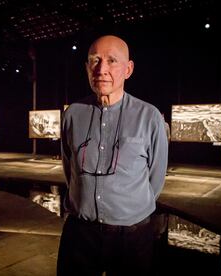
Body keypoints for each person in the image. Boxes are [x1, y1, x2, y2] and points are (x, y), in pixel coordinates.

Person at [58, 35, 168, 275]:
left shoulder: (149, 117)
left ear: (128, 69)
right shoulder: (72, 115)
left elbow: (156, 177)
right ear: (87, 67)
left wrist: (128, 209)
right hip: (80, 233)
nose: (101, 69)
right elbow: (71, 170)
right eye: (94, 60)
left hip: (131, 237)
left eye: (112, 61)